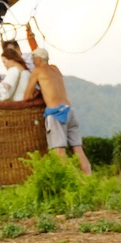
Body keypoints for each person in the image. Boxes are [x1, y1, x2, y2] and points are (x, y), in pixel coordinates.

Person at [23, 44, 94, 175]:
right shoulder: (55, 69)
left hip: (56, 113)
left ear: (39, 59)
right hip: (70, 110)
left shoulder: (37, 71)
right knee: (78, 149)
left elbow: (27, 96)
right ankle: (88, 178)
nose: (32, 62)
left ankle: (71, 181)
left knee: (59, 151)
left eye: (33, 59)